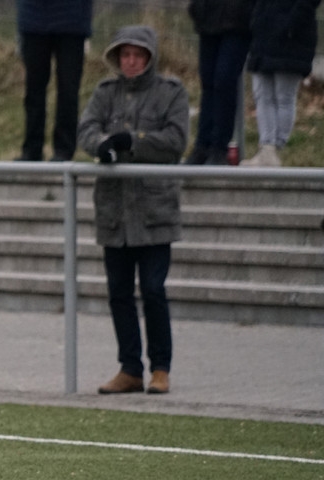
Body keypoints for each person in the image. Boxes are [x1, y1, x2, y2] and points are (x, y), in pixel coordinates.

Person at [77, 25, 188, 395]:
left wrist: (134, 142)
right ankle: (130, 368)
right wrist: (102, 145)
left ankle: (161, 368)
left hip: (155, 212)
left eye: (138, 55)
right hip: (115, 213)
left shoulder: (171, 92)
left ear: (150, 58)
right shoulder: (104, 92)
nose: (131, 61)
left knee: (153, 290)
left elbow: (176, 140)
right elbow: (86, 130)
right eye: (125, 54)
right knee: (119, 293)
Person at [240, 0, 321, 167]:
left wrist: (292, 25)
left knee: (284, 97)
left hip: (292, 40)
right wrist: (255, 19)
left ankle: (275, 147)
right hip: (263, 36)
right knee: (262, 95)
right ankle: (266, 148)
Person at [15, 0, 93, 162]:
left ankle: (64, 150)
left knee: (68, 91)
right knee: (33, 91)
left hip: (72, 21)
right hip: (33, 19)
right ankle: (32, 150)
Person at [184, 0, 253, 165]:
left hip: (238, 19)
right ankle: (202, 145)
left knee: (224, 81)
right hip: (208, 16)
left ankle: (219, 147)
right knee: (208, 83)